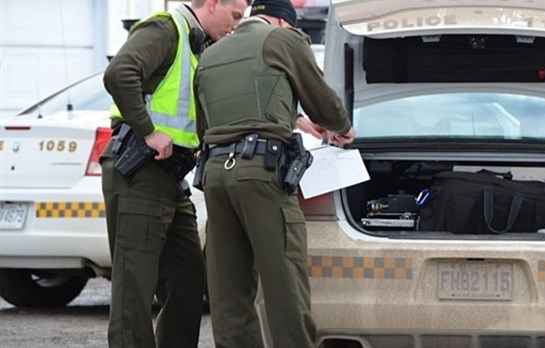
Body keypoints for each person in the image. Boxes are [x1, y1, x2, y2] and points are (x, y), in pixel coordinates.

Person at [193, 0, 356, 346]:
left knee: (229, 292)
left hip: (217, 177)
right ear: (284, 22)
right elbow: (322, 101)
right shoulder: (284, 40)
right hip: (261, 175)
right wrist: (340, 126)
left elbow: (206, 124)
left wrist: (292, 119)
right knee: (285, 285)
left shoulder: (210, 55)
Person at [100, 0, 250, 347]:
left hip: (170, 177)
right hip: (141, 171)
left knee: (187, 276)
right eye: (235, 16)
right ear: (212, 4)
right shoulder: (167, 29)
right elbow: (119, 73)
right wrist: (148, 130)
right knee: (134, 284)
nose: (236, 25)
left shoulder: (201, 45)